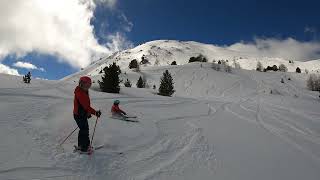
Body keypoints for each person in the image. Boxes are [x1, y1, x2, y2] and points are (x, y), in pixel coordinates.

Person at [73, 76, 101, 152]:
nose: (88, 87)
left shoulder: (83, 91)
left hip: (81, 114)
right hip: (79, 115)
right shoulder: (80, 93)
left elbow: (85, 106)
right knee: (84, 130)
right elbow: (86, 106)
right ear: (81, 84)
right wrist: (95, 112)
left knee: (83, 130)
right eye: (86, 85)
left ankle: (82, 146)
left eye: (89, 85)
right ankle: (84, 148)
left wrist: (87, 113)